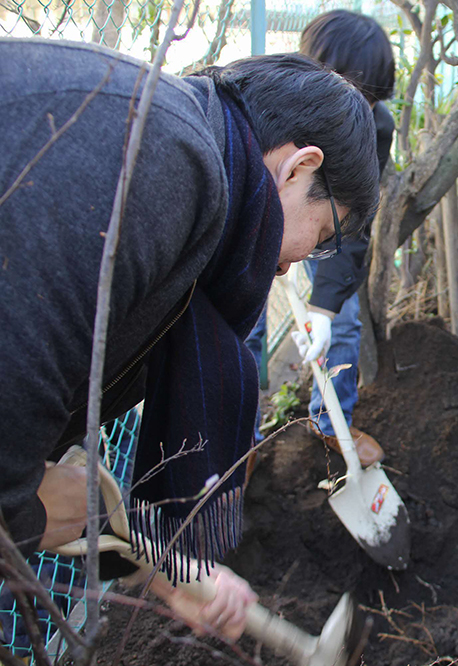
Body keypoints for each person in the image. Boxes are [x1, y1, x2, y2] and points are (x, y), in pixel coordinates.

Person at [0, 38, 380, 637]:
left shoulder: (183, 176)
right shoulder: (169, 161)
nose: (303, 261)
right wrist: (25, 507)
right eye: (325, 233)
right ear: (300, 167)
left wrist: (161, 576)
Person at [247, 9, 396, 466]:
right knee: (245, 328)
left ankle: (331, 423)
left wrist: (324, 307)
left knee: (343, 321)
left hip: (324, 225)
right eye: (357, 97)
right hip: (254, 221)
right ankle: (240, 435)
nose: (361, 115)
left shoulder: (375, 128)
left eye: (370, 104)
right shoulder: (264, 110)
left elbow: (352, 223)